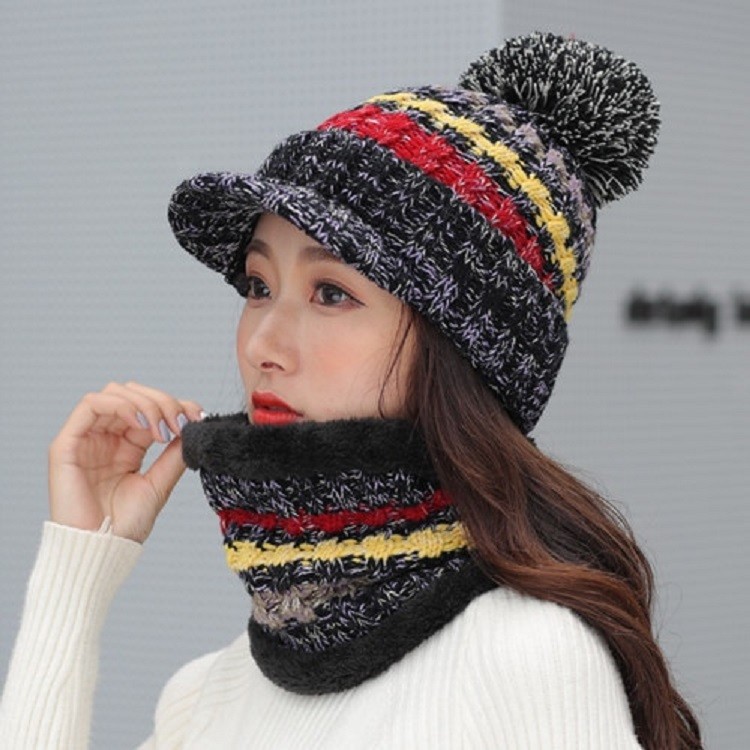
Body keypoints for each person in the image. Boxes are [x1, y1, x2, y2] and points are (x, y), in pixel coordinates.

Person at [0, 32, 703, 749]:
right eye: (258, 285)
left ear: (464, 352)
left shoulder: (526, 657)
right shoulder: (204, 695)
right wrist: (77, 574)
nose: (262, 344)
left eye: (331, 293)